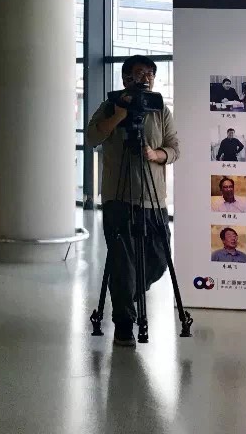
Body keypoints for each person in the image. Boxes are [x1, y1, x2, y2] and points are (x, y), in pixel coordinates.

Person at [84, 55, 180, 349]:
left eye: (150, 73)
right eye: (140, 73)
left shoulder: (159, 108)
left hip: (153, 198)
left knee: (159, 256)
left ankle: (129, 295)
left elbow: (174, 148)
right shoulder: (110, 105)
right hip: (118, 196)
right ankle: (124, 323)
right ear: (126, 78)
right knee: (122, 261)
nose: (146, 78)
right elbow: (91, 137)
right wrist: (118, 116)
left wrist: (156, 154)